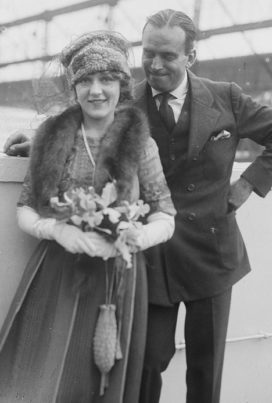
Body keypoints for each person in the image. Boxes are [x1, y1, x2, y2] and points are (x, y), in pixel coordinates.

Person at [4, 9, 272, 403]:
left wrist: (247, 185)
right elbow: (82, 115)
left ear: (190, 58)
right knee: (147, 366)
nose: (155, 64)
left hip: (212, 256)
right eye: (148, 54)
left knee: (205, 367)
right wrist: (35, 139)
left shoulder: (225, 96)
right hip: (152, 259)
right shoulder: (128, 102)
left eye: (168, 56)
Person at [0, 30, 176, 403]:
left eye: (107, 79)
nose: (96, 90)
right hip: (59, 273)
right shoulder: (53, 137)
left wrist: (134, 238)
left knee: (101, 379)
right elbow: (26, 210)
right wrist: (58, 231)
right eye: (86, 81)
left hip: (118, 279)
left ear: (121, 86)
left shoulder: (141, 143)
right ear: (74, 88)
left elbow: (165, 215)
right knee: (44, 372)